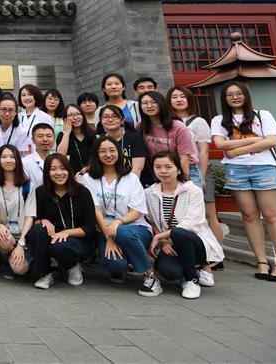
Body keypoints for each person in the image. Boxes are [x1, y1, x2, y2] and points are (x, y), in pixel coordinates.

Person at [210, 81, 276, 282]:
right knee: (249, 215)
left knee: (272, 216)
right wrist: (254, 140)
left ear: (246, 95)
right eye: (230, 95)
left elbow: (272, 141)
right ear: (224, 99)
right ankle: (262, 262)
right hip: (236, 170)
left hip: (264, 168)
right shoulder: (219, 120)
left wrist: (237, 150)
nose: (235, 97)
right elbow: (220, 144)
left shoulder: (262, 115)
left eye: (239, 93)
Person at [80, 136, 160, 296]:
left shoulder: (131, 178)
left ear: (119, 153)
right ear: (96, 154)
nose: (108, 154)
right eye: (102, 151)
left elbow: (136, 212)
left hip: (134, 229)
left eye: (112, 150)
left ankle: (150, 276)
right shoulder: (88, 178)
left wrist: (118, 223)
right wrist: (109, 237)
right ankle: (123, 266)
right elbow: (95, 210)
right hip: (106, 231)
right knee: (115, 264)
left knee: (123, 232)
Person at [145, 151, 222, 299]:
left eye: (168, 167)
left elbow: (192, 223)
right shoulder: (149, 193)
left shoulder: (193, 191)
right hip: (170, 244)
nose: (163, 171)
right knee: (170, 272)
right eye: (158, 167)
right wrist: (163, 240)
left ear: (179, 169)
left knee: (179, 233)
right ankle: (190, 272)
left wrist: (161, 236)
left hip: (195, 242)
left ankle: (192, 280)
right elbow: (151, 220)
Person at [27, 153, 97, 289]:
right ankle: (45, 273)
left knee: (59, 247)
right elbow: (32, 219)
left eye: (62, 168)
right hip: (52, 237)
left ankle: (73, 266)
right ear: (47, 172)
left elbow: (89, 227)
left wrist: (67, 233)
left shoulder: (83, 193)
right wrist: (42, 220)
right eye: (53, 169)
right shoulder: (41, 192)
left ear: (69, 170)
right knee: (36, 230)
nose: (59, 173)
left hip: (77, 239)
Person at [168, 86, 224, 248]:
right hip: (175, 171)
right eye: (175, 97)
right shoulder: (168, 122)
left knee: (208, 214)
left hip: (198, 170)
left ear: (189, 100)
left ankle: (217, 253)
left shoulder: (199, 122)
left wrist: (203, 176)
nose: (179, 100)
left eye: (182, 97)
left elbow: (204, 151)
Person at [0, 144, 36, 279]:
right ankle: (7, 261)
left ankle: (17, 261)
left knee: (19, 269)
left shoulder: (28, 186)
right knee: (2, 239)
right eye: (4, 157)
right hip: (5, 232)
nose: (8, 160)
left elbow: (30, 216)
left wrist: (21, 242)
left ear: (18, 160)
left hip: (24, 235)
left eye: (12, 157)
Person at [138, 91, 198, 187]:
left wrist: (183, 180)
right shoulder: (140, 127)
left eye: (153, 102)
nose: (149, 106)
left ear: (161, 103)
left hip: (186, 170)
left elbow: (184, 157)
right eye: (145, 103)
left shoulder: (178, 126)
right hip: (160, 171)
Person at [98, 104, 147, 177]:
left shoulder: (134, 137)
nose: (110, 120)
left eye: (114, 116)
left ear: (122, 119)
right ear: (101, 121)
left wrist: (126, 186)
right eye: (106, 117)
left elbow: (137, 168)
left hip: (133, 181)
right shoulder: (99, 140)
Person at [56, 104, 96, 175]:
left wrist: (90, 167)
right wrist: (66, 134)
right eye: (71, 115)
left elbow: (96, 155)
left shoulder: (91, 134)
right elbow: (60, 156)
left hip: (91, 173)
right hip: (71, 175)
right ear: (65, 119)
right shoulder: (62, 135)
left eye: (78, 114)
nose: (75, 117)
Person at [21, 124, 55, 189]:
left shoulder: (59, 160)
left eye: (49, 136)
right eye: (40, 136)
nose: (45, 139)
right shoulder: (24, 163)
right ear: (33, 140)